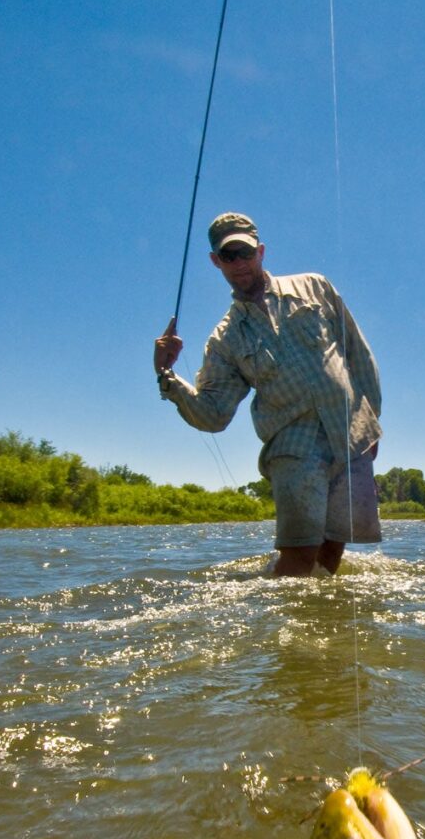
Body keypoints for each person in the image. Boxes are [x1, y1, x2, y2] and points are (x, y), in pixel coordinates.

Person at [153, 212, 382, 577]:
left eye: (244, 252)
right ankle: (273, 621)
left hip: (350, 435)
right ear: (216, 262)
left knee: (334, 545)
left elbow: (358, 353)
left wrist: (371, 424)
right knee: (299, 555)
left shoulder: (314, 286)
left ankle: (322, 629)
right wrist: (167, 376)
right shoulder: (225, 339)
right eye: (228, 256)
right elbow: (213, 415)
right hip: (294, 446)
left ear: (260, 251)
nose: (239, 263)